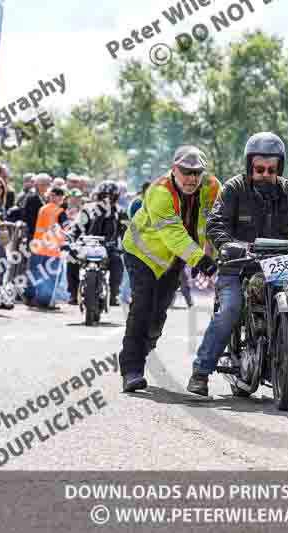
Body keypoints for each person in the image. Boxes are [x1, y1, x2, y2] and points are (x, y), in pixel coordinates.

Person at [188, 132, 288, 398]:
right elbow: (216, 223)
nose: (265, 174)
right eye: (259, 169)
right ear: (249, 166)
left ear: (280, 168)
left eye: (271, 169)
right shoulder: (233, 188)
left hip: (279, 262)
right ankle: (201, 372)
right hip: (239, 263)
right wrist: (228, 245)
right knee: (230, 308)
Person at [119, 146, 221, 392]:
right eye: (186, 172)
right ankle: (131, 369)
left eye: (196, 173)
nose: (191, 179)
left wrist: (211, 255)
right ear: (174, 169)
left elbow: (216, 223)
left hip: (174, 259)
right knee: (142, 307)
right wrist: (199, 259)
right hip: (141, 254)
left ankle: (146, 344)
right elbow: (173, 234)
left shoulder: (213, 187)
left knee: (157, 316)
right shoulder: (160, 191)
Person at [66, 181, 128, 306]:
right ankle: (73, 294)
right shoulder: (88, 209)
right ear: (99, 195)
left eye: (110, 196)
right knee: (71, 258)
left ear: (115, 197)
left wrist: (128, 245)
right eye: (104, 195)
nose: (107, 198)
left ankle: (114, 294)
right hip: (88, 245)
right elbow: (78, 226)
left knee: (117, 262)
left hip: (109, 247)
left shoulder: (120, 212)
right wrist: (71, 237)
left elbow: (127, 232)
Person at [24, 187, 68, 309]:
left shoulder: (42, 209)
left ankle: (30, 298)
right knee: (49, 278)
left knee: (35, 274)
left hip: (38, 247)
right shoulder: (59, 212)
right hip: (52, 250)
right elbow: (66, 228)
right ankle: (44, 302)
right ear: (60, 198)